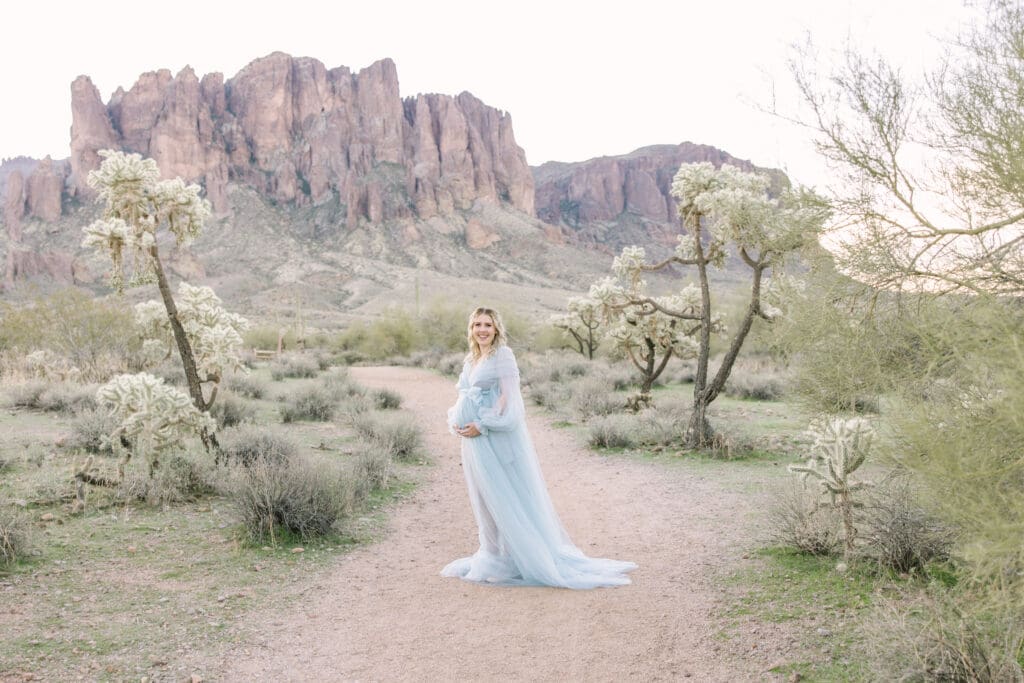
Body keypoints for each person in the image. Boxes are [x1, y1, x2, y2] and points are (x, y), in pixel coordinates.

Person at [443, 306, 637, 589]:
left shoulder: (503, 356)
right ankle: (492, 555)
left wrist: (482, 424)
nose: (482, 330)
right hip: (472, 443)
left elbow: (509, 400)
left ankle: (519, 557)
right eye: (477, 325)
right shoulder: (472, 358)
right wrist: (457, 420)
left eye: (487, 325)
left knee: (504, 497)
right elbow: (466, 394)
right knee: (483, 499)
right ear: (470, 329)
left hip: (491, 438)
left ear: (496, 328)